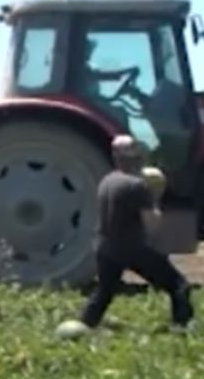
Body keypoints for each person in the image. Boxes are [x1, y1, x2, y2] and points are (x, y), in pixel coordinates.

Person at [79, 135, 194, 330]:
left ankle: (83, 326)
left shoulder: (107, 180)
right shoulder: (137, 186)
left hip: (105, 248)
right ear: (136, 156)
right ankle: (182, 328)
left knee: (104, 292)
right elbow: (152, 224)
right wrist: (156, 198)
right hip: (132, 248)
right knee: (179, 285)